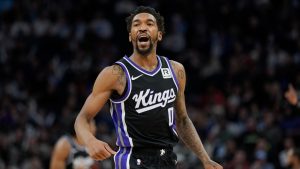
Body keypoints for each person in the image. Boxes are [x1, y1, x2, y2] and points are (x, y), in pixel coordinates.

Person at [74, 6, 223, 169]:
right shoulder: (116, 74)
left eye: (149, 23)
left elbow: (182, 120)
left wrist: (205, 158)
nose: (142, 27)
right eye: (136, 24)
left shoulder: (176, 70)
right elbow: (82, 118)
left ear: (159, 34)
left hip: (167, 159)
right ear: (130, 36)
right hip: (132, 160)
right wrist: (90, 141)